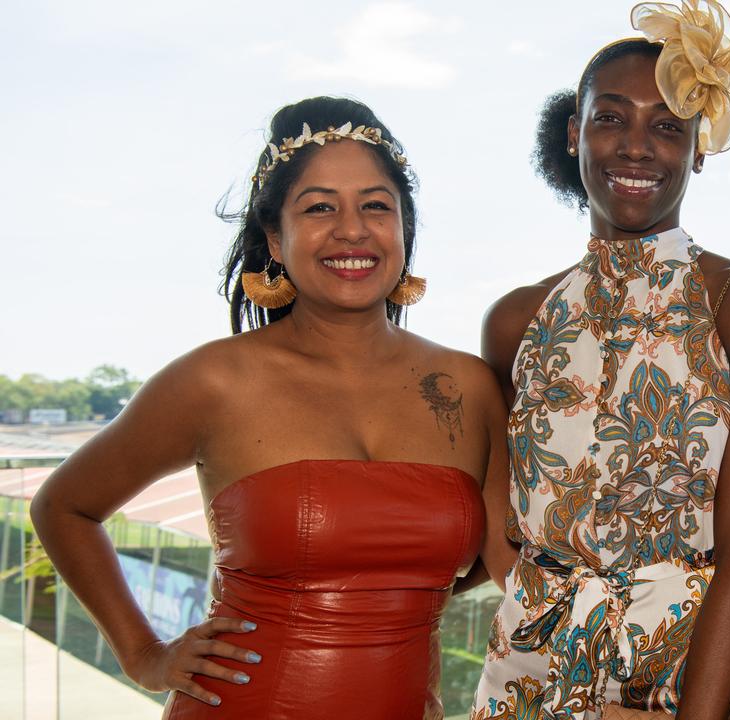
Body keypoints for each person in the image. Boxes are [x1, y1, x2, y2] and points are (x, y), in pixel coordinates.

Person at [31, 96, 508, 719]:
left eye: (375, 205)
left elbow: (509, 555)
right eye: (318, 208)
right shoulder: (215, 380)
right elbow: (64, 506)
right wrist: (144, 654)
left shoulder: (467, 386)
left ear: (403, 231)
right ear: (275, 241)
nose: (352, 229)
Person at [470, 2, 730, 718]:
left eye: (667, 126)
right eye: (611, 118)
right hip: (523, 683)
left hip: (685, 689)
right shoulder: (515, 320)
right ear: (574, 133)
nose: (635, 146)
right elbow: (501, 519)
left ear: (698, 148)